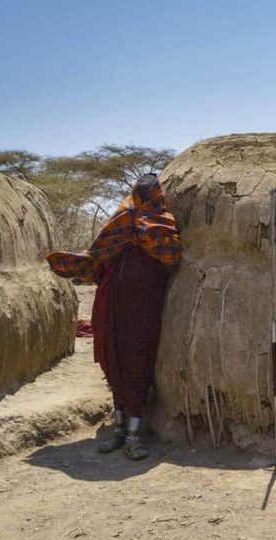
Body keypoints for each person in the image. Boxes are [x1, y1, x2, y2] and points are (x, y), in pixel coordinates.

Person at [47, 173, 181, 460]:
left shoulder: (163, 221)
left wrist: (141, 234)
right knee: (112, 357)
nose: (144, 198)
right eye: (141, 193)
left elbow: (171, 257)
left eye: (148, 194)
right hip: (111, 300)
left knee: (137, 358)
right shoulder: (121, 218)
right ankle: (119, 429)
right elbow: (99, 253)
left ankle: (133, 433)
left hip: (143, 303)